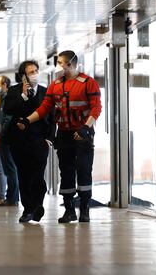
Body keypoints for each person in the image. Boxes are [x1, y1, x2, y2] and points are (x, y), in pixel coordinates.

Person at [17, 50, 102, 223]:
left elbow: (96, 107)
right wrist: (28, 120)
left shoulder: (88, 83)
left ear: (70, 63)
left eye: (61, 62)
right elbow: (44, 108)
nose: (59, 66)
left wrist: (86, 127)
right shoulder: (55, 85)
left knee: (84, 169)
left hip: (83, 132)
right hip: (64, 133)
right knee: (66, 171)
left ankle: (84, 210)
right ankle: (69, 210)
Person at [3, 60, 55, 223]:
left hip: (39, 140)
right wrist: (24, 96)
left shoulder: (46, 92)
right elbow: (8, 109)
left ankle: (37, 205)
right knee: (23, 175)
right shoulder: (14, 91)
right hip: (18, 141)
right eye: (31, 72)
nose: (35, 74)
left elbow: (52, 117)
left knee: (37, 174)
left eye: (36, 71)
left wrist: (49, 138)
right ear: (23, 76)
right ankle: (27, 209)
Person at [0, 75, 19, 206]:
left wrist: (1, 132)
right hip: (6, 136)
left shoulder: (9, 98)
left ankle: (12, 198)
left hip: (8, 137)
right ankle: (12, 197)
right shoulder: (3, 99)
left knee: (10, 168)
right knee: (9, 168)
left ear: (5, 85)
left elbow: (8, 118)